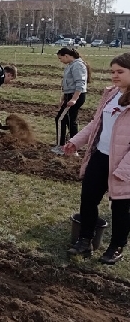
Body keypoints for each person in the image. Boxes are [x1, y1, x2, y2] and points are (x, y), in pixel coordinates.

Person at [65, 53, 130, 264]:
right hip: (100, 156)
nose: (115, 75)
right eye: (113, 71)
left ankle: (116, 246)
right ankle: (85, 239)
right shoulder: (111, 94)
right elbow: (96, 124)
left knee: (120, 207)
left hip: (123, 163)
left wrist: (124, 170)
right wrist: (76, 141)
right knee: (88, 198)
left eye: (120, 72)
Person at [52, 47, 91, 155]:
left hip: (75, 96)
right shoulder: (71, 65)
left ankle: (60, 147)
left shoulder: (77, 65)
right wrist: (63, 99)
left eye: (60, 58)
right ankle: (73, 148)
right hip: (70, 95)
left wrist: (74, 99)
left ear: (66, 56)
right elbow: (68, 85)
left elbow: (80, 83)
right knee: (71, 121)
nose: (60, 61)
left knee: (60, 119)